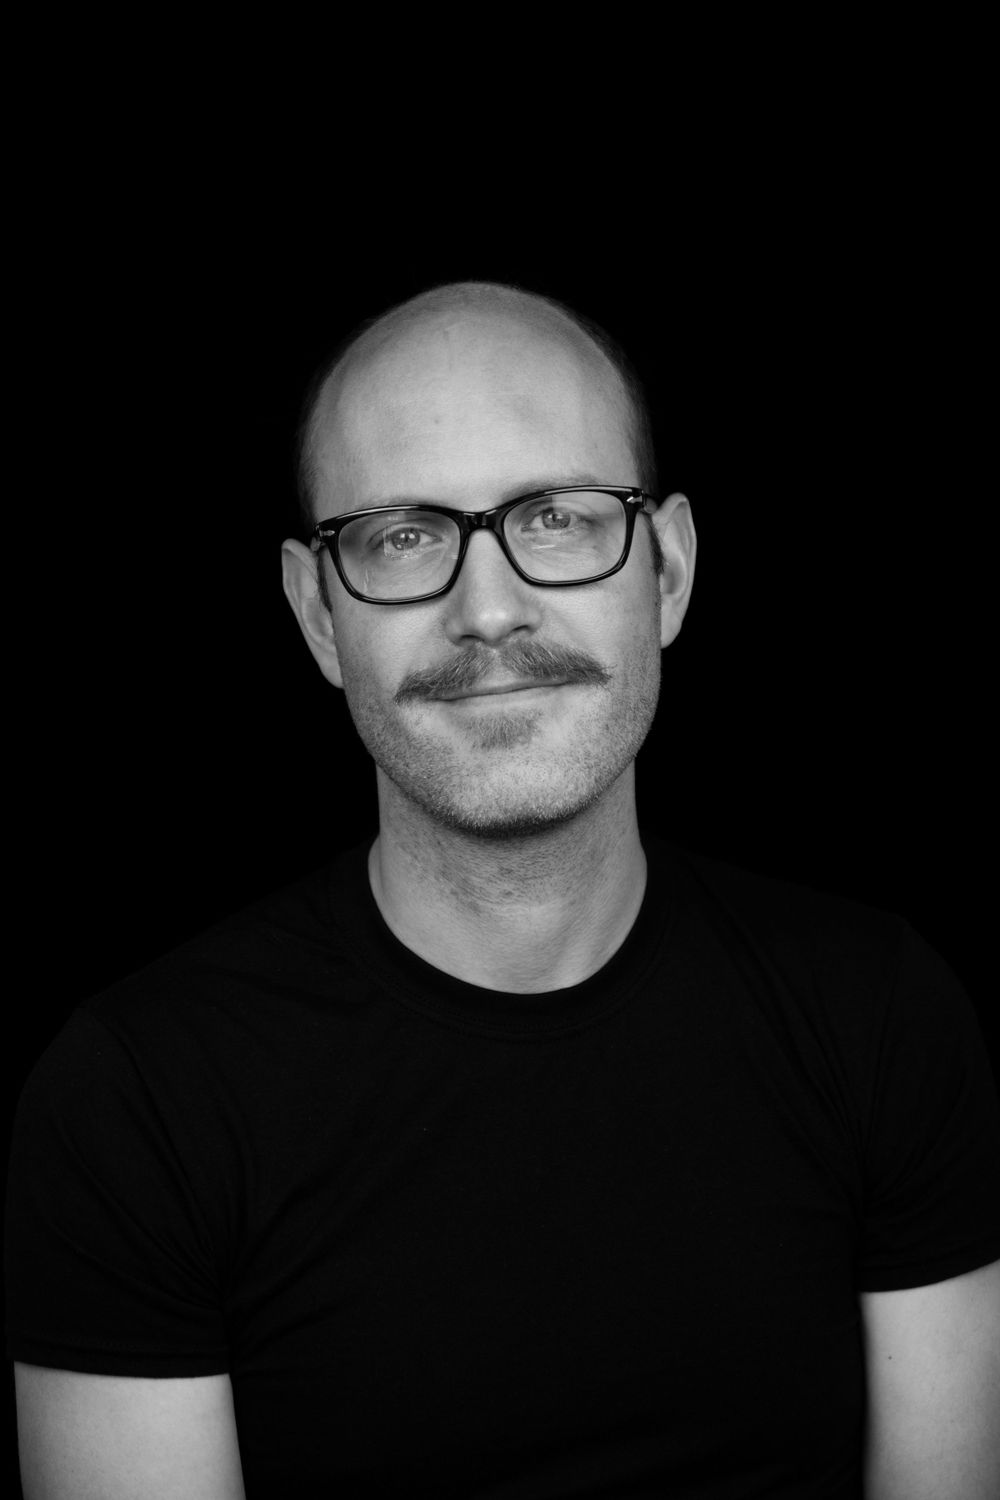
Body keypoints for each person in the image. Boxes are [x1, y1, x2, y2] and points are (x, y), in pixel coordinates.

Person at [6, 280, 1000, 1500]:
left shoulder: (878, 1015)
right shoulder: (138, 1103)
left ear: (670, 571)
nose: (488, 611)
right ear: (318, 613)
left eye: (560, 519)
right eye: (402, 537)